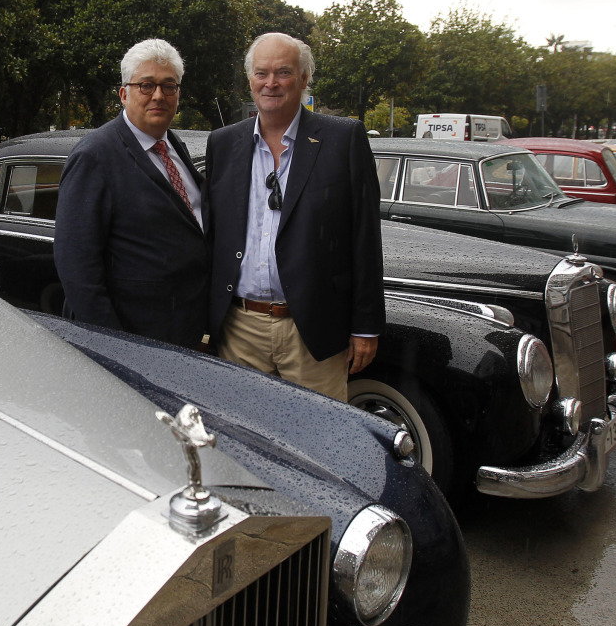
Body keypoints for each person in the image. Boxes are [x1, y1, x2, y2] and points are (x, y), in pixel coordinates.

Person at [204, 32, 385, 402]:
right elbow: (212, 234)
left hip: (314, 331)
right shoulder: (222, 143)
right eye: (262, 73)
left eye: (283, 73)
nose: (271, 83)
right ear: (250, 80)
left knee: (317, 432)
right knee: (241, 430)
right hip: (239, 329)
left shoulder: (343, 139)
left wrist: (366, 326)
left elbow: (365, 235)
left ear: (304, 79)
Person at [53, 38, 208, 349]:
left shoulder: (172, 144)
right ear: (124, 94)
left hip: (183, 331)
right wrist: (116, 346)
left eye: (169, 86)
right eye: (146, 85)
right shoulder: (95, 156)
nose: (159, 95)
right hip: (135, 339)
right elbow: (77, 268)